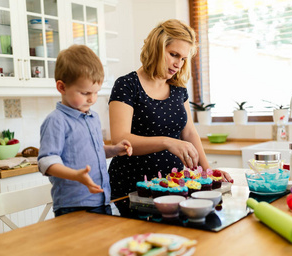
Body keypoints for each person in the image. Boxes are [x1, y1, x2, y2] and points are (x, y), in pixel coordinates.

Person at [108, 19, 231, 199]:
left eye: (183, 59)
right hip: (132, 186)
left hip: (172, 184)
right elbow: (120, 140)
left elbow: (189, 133)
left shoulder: (178, 89)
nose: (178, 64)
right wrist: (167, 142)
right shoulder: (127, 85)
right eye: (174, 54)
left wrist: (208, 171)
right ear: (156, 47)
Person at [38, 45, 132, 217]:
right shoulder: (56, 121)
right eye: (85, 92)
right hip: (73, 205)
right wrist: (76, 175)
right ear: (62, 87)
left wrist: (115, 150)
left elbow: (95, 151)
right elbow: (46, 162)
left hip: (102, 200)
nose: (92, 98)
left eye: (96, 92)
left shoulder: (93, 118)